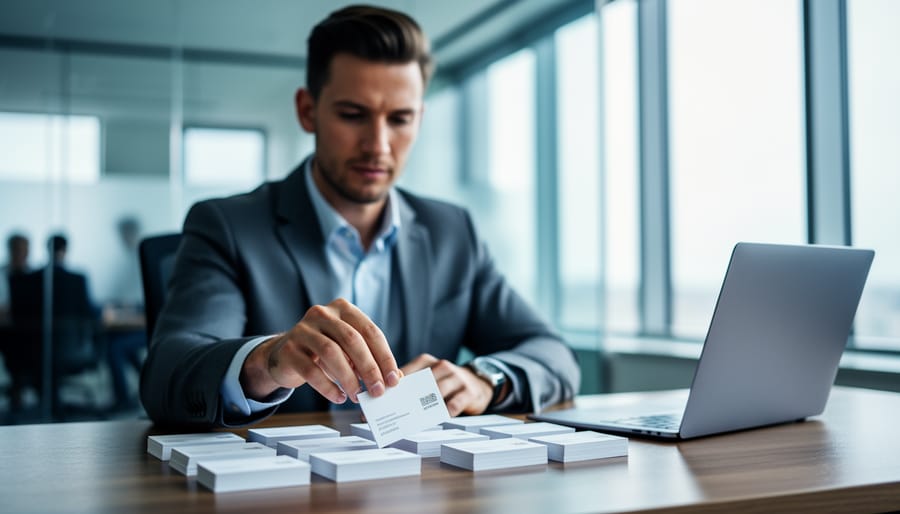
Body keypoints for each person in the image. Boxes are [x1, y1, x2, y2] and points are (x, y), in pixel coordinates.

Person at [140, 4, 580, 428]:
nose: (378, 145)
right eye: (353, 115)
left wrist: (486, 379)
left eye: (400, 119)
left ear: (419, 119)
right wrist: (266, 361)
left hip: (417, 485)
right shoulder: (229, 226)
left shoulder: (452, 232)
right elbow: (168, 371)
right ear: (307, 111)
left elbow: (552, 353)